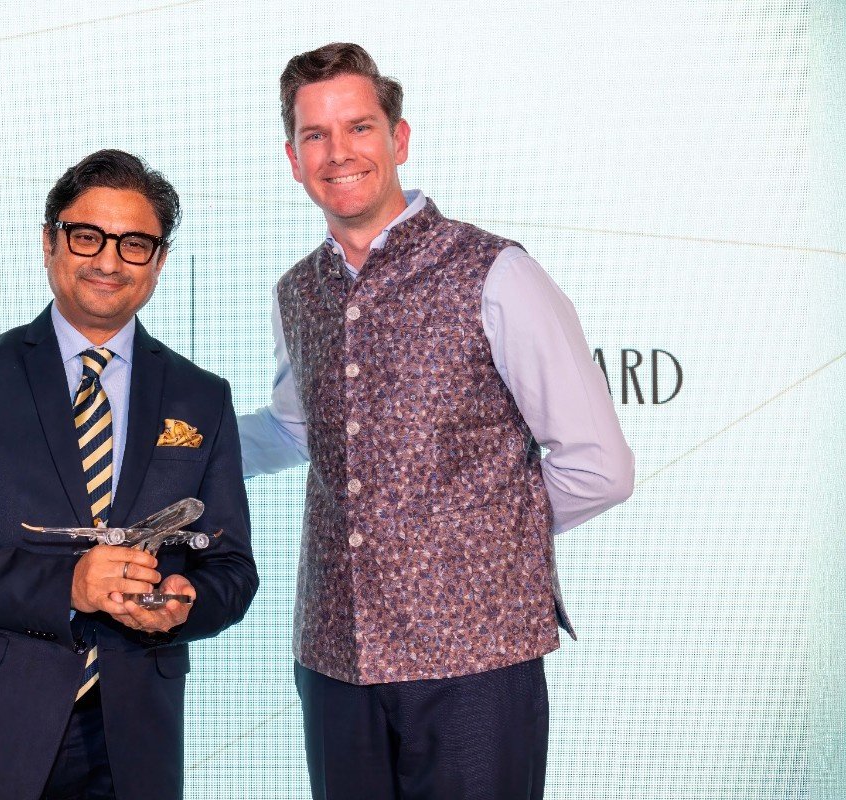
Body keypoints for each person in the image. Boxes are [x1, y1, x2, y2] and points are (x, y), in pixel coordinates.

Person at [238, 43, 634, 800]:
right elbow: (295, 431)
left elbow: (599, 466)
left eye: (359, 127)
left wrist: (477, 545)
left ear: (399, 139)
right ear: (293, 159)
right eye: (316, 135)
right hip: (335, 661)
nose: (338, 152)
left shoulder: (496, 272)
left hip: (477, 664)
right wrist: (167, 445)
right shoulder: (297, 291)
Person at [0, 149, 257, 800]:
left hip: (134, 743)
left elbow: (231, 570)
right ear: (49, 242)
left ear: (159, 261)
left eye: (135, 243)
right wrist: (70, 584)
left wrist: (185, 602)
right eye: (87, 236)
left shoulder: (201, 395)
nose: (109, 261)